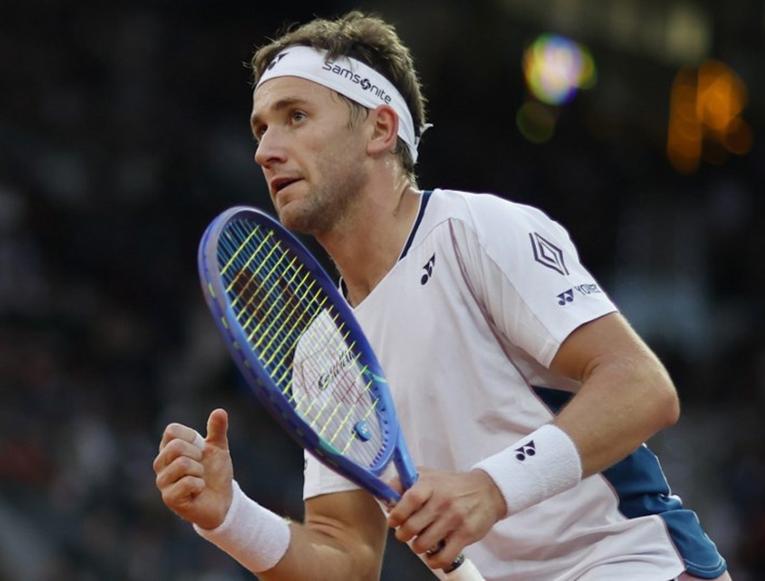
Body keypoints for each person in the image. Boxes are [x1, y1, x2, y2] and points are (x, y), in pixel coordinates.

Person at [153, 11, 730, 581]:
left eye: (296, 117)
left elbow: (642, 388)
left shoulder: (476, 231)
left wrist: (489, 488)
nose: (266, 150)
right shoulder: (320, 352)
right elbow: (347, 557)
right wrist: (230, 517)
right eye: (261, 128)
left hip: (635, 565)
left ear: (380, 129)